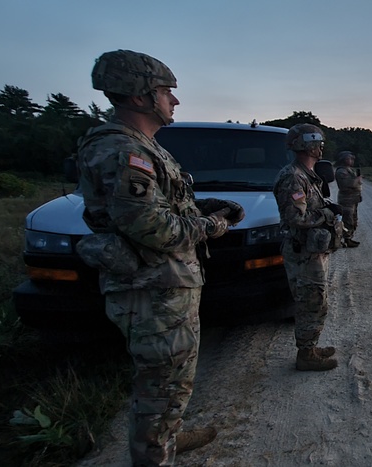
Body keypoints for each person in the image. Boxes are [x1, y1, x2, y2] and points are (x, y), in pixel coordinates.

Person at [75, 49, 243, 465]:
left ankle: (165, 437)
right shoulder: (123, 151)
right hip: (153, 289)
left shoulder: (142, 147)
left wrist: (202, 205)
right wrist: (214, 226)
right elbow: (152, 227)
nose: (175, 100)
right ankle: (155, 454)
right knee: (162, 382)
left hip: (164, 285)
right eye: (166, 91)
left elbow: (156, 208)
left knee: (171, 379)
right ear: (139, 96)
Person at [272, 124, 343, 371]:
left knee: (317, 300)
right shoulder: (293, 176)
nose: (321, 146)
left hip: (311, 252)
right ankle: (306, 354)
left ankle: (310, 346)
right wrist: (326, 213)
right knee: (311, 301)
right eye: (317, 142)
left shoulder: (307, 174)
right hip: (303, 254)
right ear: (305, 145)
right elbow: (296, 218)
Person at [334, 150, 363, 247]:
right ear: (344, 159)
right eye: (349, 158)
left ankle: (349, 238)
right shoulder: (341, 171)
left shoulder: (349, 170)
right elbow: (346, 184)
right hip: (346, 199)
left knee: (353, 219)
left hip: (353, 199)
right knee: (347, 220)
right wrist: (357, 180)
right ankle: (344, 239)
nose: (352, 160)